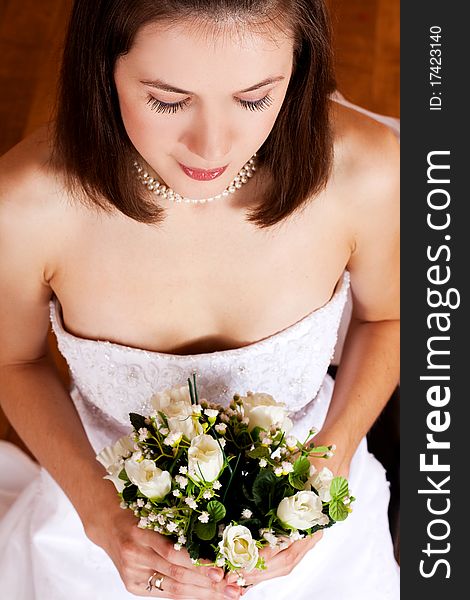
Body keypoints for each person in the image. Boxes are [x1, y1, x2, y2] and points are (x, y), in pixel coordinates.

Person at [0, 0, 400, 598]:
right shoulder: (25, 206)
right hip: (101, 540)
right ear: (103, 64)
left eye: (255, 98)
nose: (212, 148)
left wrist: (331, 461)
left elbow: (390, 316)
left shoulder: (366, 171)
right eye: (167, 100)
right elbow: (13, 360)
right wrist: (103, 516)